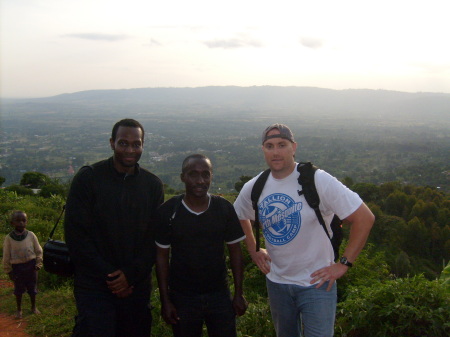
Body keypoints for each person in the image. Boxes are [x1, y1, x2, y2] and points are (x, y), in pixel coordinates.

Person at [233, 124, 375, 337]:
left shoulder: (317, 180)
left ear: (294, 147)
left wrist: (343, 264)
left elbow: (364, 218)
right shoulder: (255, 186)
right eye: (269, 146)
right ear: (263, 149)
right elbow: (240, 215)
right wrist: (254, 250)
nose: (276, 151)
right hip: (277, 282)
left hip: (316, 283)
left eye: (282, 145)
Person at [64, 118, 164, 337]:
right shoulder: (89, 178)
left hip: (136, 287)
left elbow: (153, 239)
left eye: (136, 144)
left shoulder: (152, 185)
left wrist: (129, 275)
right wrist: (111, 277)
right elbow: (76, 235)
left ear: (142, 145)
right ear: (112, 143)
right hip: (94, 285)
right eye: (123, 143)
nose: (130, 149)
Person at [155, 154, 248, 337]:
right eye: (193, 174)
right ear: (183, 177)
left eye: (206, 174)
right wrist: (166, 300)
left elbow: (235, 252)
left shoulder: (223, 208)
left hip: (219, 295)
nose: (200, 180)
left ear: (212, 176)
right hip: (182, 297)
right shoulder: (169, 211)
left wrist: (238, 293)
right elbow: (161, 257)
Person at [2, 210, 43, 319]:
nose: (21, 223)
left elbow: (39, 250)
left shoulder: (31, 235)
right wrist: (8, 270)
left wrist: (38, 263)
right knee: (18, 290)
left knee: (32, 288)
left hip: (31, 266)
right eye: (18, 220)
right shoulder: (9, 238)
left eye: (23, 220)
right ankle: (19, 309)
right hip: (17, 268)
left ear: (26, 222)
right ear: (12, 223)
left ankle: (33, 307)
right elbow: (6, 255)